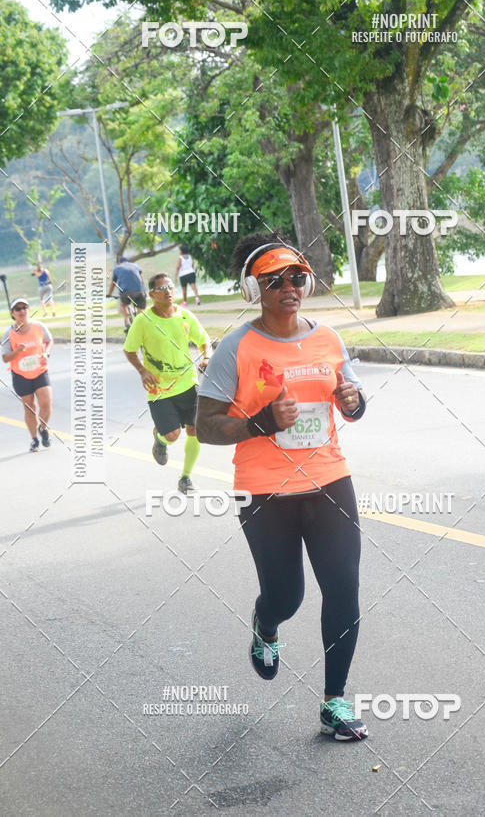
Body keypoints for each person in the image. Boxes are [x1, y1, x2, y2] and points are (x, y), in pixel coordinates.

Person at [196, 233, 369, 742]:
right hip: (264, 491)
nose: (289, 287)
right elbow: (206, 427)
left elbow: (354, 404)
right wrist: (260, 422)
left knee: (343, 588)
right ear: (256, 289)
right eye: (275, 280)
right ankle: (265, 623)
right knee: (287, 596)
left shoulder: (328, 338)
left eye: (297, 277)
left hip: (329, 480)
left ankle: (334, 701)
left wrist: (354, 400)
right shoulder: (237, 348)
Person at [123, 272, 211, 493]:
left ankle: (186, 478)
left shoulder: (185, 316)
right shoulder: (143, 321)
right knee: (173, 436)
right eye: (162, 288)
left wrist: (207, 356)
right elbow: (129, 350)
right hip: (159, 389)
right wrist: (142, 371)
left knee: (195, 430)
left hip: (188, 383)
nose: (168, 291)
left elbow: (204, 340)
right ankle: (160, 439)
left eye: (171, 286)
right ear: (152, 294)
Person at [1, 298, 53, 451]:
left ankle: (42, 429)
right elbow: (4, 358)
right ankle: (34, 439)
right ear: (13, 313)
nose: (22, 311)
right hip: (21, 375)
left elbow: (49, 341)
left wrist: (46, 353)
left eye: (25, 307)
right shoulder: (8, 333)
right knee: (30, 408)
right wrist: (16, 351)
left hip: (40, 371)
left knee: (46, 403)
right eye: (18, 309)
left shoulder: (39, 326)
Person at [107, 256, 147, 333]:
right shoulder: (136, 265)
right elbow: (142, 280)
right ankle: (142, 324)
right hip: (139, 292)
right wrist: (143, 291)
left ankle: (127, 322)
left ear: (119, 262)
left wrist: (109, 293)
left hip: (126, 293)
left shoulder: (117, 268)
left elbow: (113, 283)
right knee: (140, 309)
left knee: (123, 305)